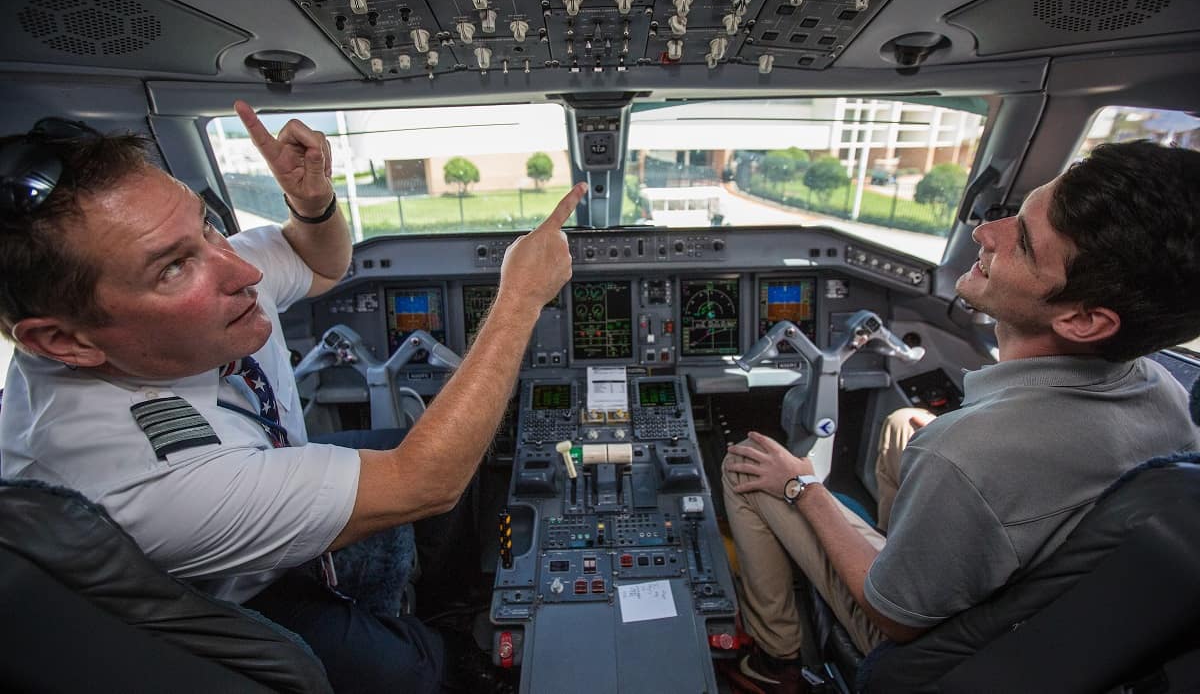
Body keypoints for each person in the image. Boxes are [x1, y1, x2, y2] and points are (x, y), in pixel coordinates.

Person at [0, 103, 586, 692]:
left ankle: (444, 596)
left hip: (258, 467)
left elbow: (319, 263)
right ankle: (442, 650)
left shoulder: (216, 273)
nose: (241, 269)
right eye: (174, 268)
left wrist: (311, 204)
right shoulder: (127, 476)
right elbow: (426, 480)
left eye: (206, 226)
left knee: (428, 452)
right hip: (234, 597)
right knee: (411, 670)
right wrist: (520, 300)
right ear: (63, 340)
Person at [721, 141, 1200, 693]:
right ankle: (897, 545)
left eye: (1021, 240)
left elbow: (893, 618)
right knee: (908, 425)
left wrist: (802, 485)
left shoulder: (969, 456)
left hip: (923, 642)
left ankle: (777, 662)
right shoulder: (1160, 387)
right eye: (1014, 214)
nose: (983, 234)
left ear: (1085, 320)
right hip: (1038, 606)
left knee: (752, 467)